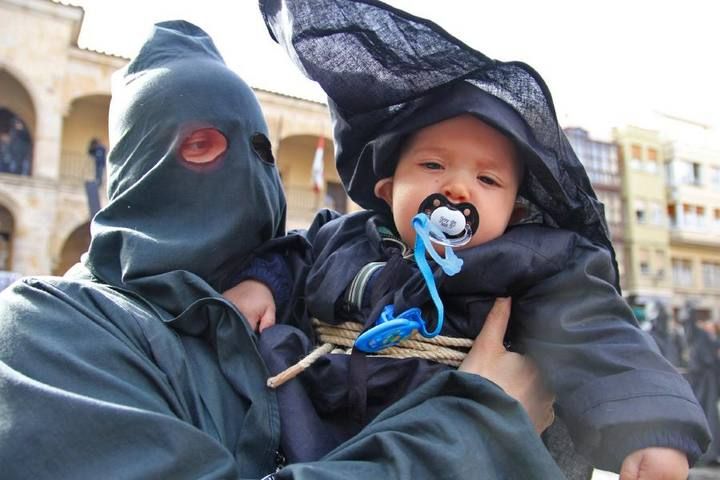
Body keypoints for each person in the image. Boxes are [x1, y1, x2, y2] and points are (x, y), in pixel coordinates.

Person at [0, 20, 568, 479]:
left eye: (263, 152)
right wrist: (478, 433)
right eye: (201, 145)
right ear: (135, 165)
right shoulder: (49, 333)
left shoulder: (304, 299)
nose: (250, 175)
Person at [225, 1, 711, 478]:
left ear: (515, 211)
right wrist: (262, 282)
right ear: (388, 190)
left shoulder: (535, 267)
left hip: (467, 449)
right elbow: (295, 258)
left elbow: (600, 335)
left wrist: (655, 427)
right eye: (433, 165)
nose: (458, 187)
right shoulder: (341, 238)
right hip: (320, 433)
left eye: (489, 180)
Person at [683, 302, 720, 466]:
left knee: (710, 417)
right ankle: (703, 452)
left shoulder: (713, 342)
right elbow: (690, 325)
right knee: (701, 415)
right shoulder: (700, 337)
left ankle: (710, 453)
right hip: (700, 382)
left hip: (709, 383)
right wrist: (690, 308)